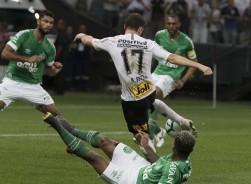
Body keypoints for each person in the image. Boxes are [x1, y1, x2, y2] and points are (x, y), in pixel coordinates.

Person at [74, 13, 212, 152]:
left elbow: (89, 41)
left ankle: (153, 165)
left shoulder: (112, 41)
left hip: (131, 99)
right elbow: (172, 58)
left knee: (141, 137)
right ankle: (180, 120)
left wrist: (81, 35)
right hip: (147, 89)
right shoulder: (149, 43)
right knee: (153, 101)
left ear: (124, 27)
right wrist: (200, 66)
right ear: (140, 30)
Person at [42, 112, 196, 184]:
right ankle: (73, 131)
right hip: (140, 167)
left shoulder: (173, 170)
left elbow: (168, 172)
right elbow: (160, 164)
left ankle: (57, 126)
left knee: (94, 158)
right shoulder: (182, 160)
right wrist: (146, 146)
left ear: (174, 146)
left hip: (130, 180)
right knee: (103, 141)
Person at [149, 14, 199, 148]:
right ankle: (158, 131)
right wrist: (146, 72)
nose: (171, 26)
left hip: (171, 77)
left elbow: (194, 63)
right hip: (156, 73)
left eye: (174, 24)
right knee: (140, 100)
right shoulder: (159, 35)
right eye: (169, 24)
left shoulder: (186, 42)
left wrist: (182, 81)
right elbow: (154, 53)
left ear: (179, 24)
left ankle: (148, 134)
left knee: (154, 96)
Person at [0, 10, 63, 116]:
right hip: (12, 82)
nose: (48, 25)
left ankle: (73, 133)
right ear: (38, 22)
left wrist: (55, 70)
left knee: (56, 115)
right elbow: (5, 53)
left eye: (51, 23)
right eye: (45, 21)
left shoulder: (50, 47)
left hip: (33, 86)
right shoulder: (24, 35)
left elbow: (50, 72)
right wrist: (27, 59)